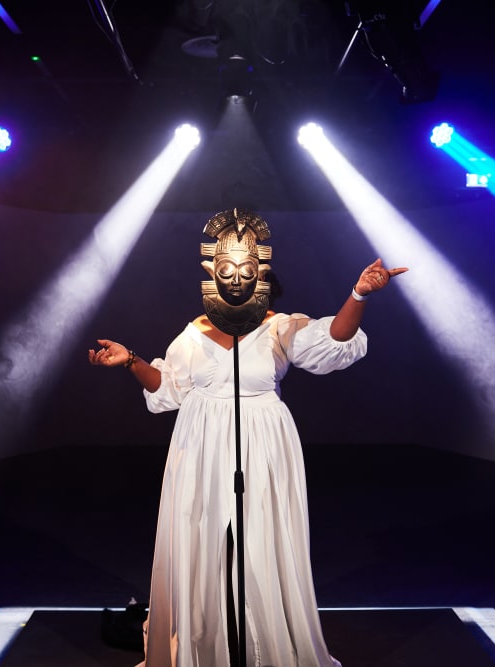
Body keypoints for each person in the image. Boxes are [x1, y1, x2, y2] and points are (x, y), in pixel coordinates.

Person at [89, 215, 407, 667]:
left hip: (261, 442)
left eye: (246, 272)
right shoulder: (193, 331)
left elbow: (333, 339)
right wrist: (130, 360)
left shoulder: (280, 326)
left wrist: (358, 294)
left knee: (259, 540)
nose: (236, 281)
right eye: (227, 271)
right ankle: (204, 643)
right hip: (198, 444)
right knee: (199, 539)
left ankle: (262, 644)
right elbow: (169, 387)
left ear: (261, 277)